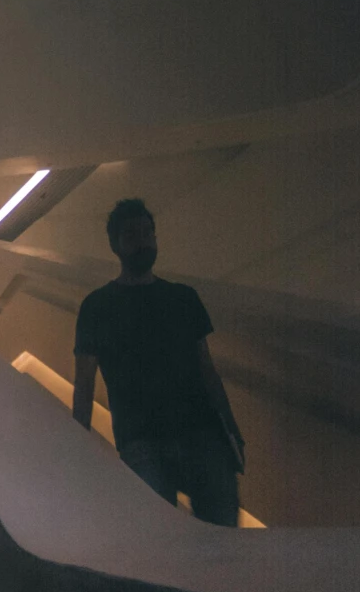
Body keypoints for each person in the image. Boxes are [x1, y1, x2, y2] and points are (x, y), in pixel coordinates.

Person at [72, 197, 245, 526]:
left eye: (148, 233)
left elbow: (207, 370)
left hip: (202, 434)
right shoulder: (97, 307)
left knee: (221, 542)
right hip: (143, 441)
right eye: (133, 235)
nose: (144, 242)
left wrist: (230, 430)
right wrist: (77, 448)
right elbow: (84, 386)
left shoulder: (184, 297)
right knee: (158, 542)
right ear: (116, 246)